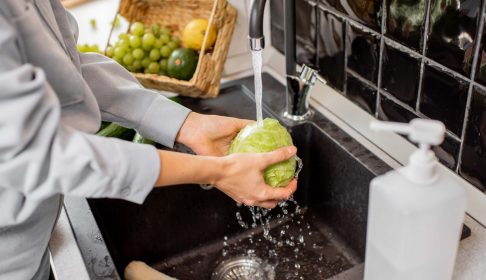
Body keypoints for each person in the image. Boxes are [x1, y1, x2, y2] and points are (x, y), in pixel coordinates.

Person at [0, 0, 298, 279]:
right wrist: (216, 170)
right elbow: (45, 153)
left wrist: (188, 124)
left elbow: (67, 69)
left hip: (31, 244)